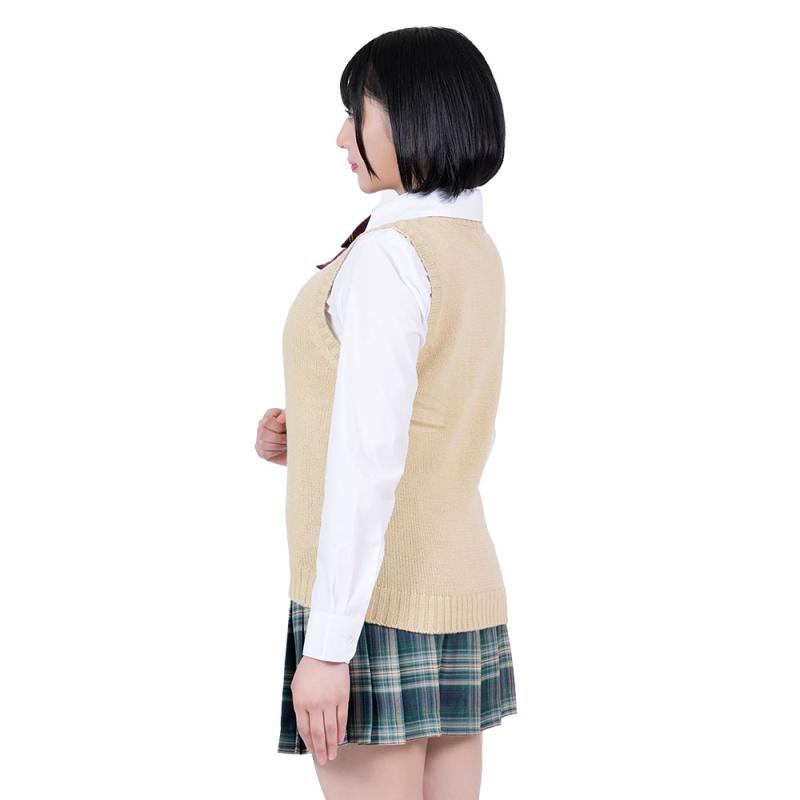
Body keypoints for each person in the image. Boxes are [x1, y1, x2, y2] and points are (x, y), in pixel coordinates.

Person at [256, 26, 517, 800]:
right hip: (459, 591)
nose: (342, 137)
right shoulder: (470, 248)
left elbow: (371, 458)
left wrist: (328, 646)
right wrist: (310, 429)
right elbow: (436, 414)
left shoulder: (390, 256)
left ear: (411, 116)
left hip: (375, 602)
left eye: (356, 113)